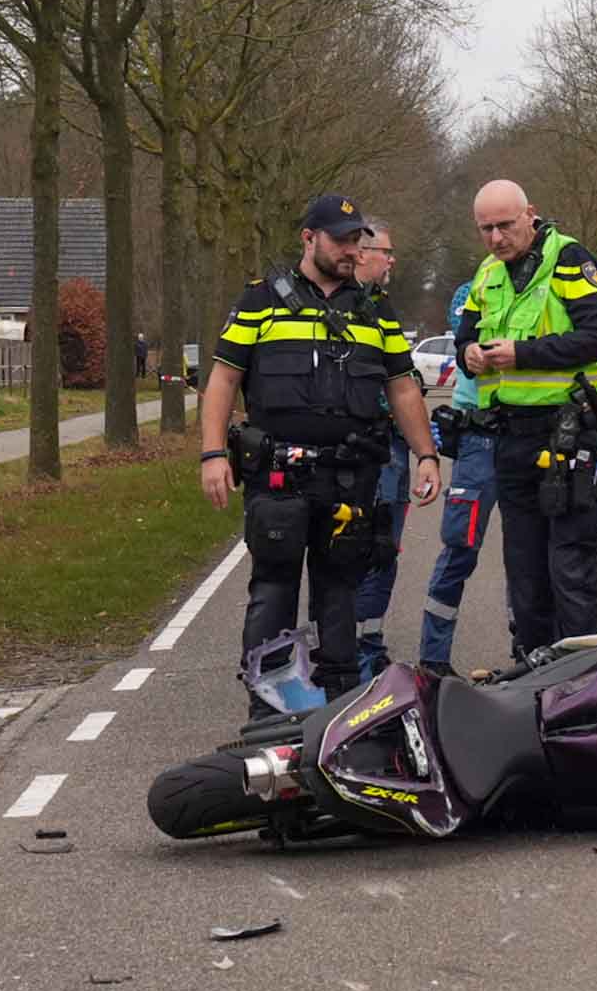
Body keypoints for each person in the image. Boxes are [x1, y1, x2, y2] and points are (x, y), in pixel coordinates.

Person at [200, 193, 442, 717]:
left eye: (358, 240)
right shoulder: (260, 300)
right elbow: (223, 378)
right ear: (309, 238)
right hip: (278, 478)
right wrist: (213, 453)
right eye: (341, 240)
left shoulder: (375, 310)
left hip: (350, 479)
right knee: (273, 592)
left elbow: (403, 388)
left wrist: (426, 454)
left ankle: (338, 708)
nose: (353, 250)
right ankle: (269, 710)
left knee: (339, 595)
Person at [453, 180, 597, 654]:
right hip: (512, 437)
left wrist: (522, 354)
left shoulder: (569, 259)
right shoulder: (487, 273)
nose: (496, 238)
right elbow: (464, 337)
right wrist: (469, 354)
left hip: (569, 433)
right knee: (523, 569)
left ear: (531, 214)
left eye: (505, 225)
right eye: (486, 229)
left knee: (570, 566)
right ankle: (533, 670)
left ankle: (581, 676)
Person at [418, 277, 507, 677]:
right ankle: (434, 661)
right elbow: (469, 347)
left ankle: (530, 654)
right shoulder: (472, 290)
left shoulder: (545, 286)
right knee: (460, 547)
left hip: (529, 436)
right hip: (478, 437)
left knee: (527, 552)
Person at [351, 219, 412, 679]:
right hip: (369, 450)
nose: (391, 260)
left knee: (385, 550)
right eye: (385, 252)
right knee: (370, 549)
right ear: (360, 253)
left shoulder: (379, 304)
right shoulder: (345, 307)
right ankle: (355, 655)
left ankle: (367, 644)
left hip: (393, 446)